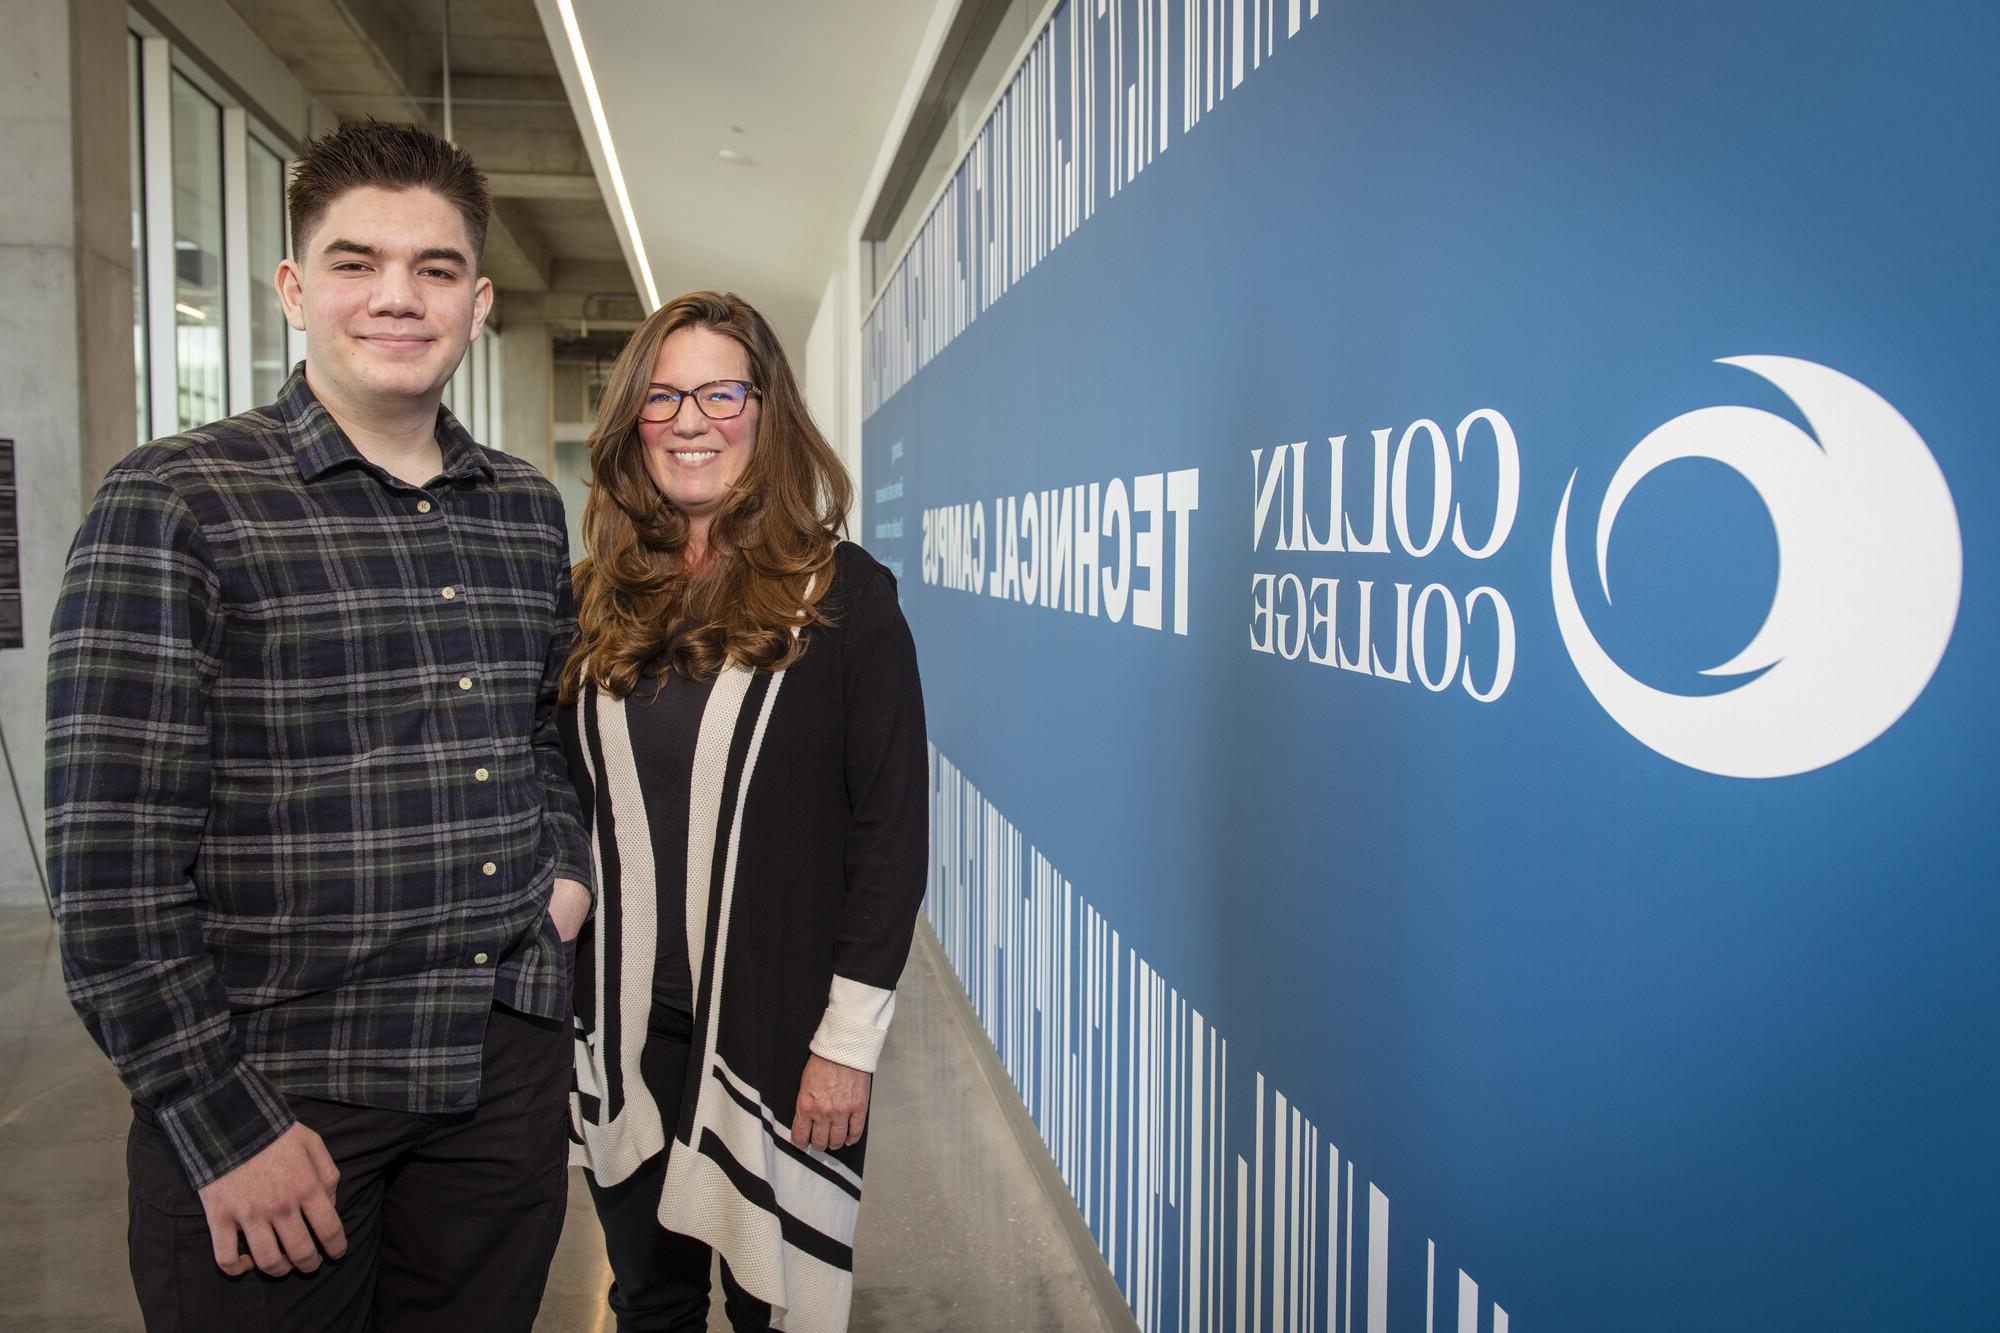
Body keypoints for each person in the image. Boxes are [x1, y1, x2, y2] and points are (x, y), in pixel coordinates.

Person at [45, 121, 591, 1333]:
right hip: (283, 1090)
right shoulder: (178, 498)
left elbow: (548, 731)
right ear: (295, 289)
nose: (396, 296)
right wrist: (215, 1115)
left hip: (496, 1076)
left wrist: (563, 875)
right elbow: (108, 864)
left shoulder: (523, 512)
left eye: (434, 269)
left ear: (478, 300)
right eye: (356, 263)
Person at [559, 290, 927, 1332]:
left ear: (767, 412)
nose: (690, 420)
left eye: (721, 391)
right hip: (626, 1037)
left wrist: (845, 1043)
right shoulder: (590, 603)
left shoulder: (846, 599)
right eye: (662, 397)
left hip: (779, 1038)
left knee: (779, 1307)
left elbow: (890, 836)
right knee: (649, 1302)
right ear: (633, 421)